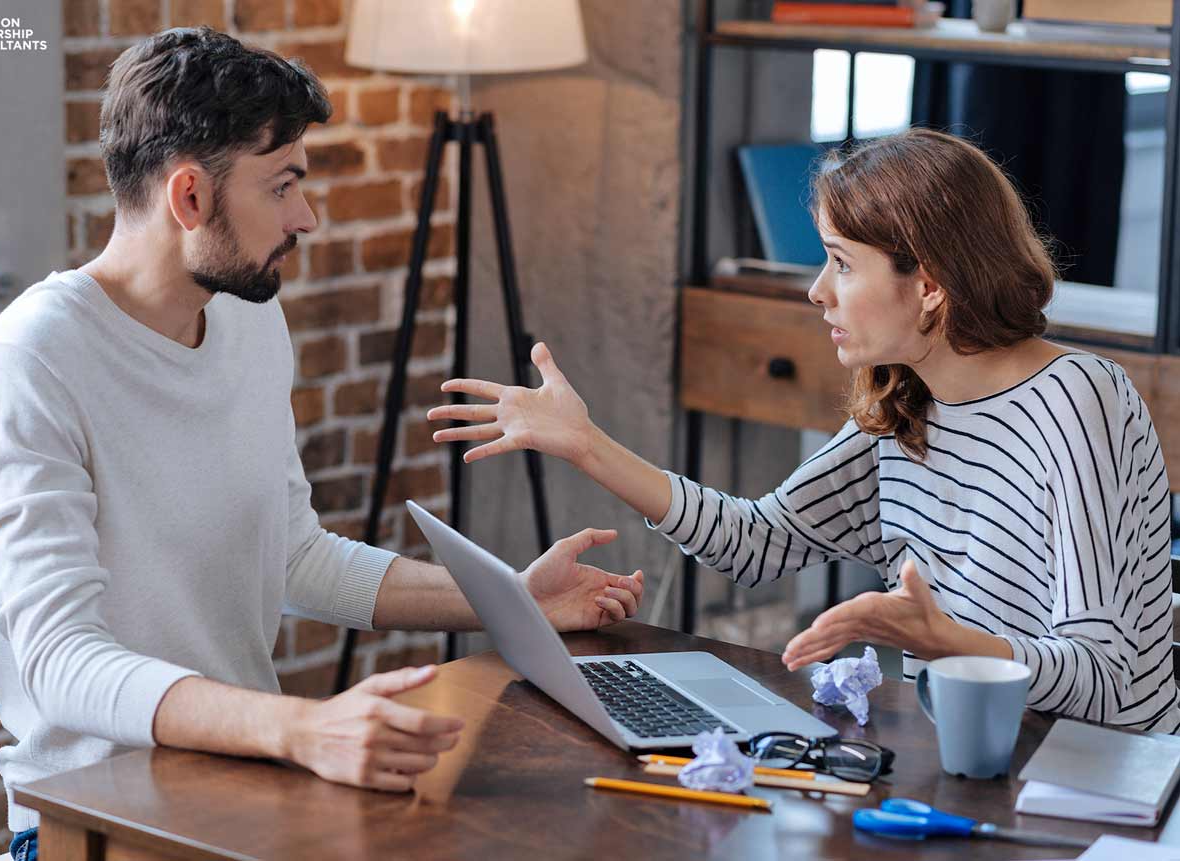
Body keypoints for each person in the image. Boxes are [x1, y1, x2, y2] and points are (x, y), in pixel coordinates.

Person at [0, 27, 645, 860]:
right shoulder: (33, 359)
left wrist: (510, 602)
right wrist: (302, 728)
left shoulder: (249, 320)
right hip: (94, 825)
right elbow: (58, 664)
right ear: (189, 198)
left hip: (244, 792)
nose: (307, 217)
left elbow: (293, 557)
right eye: (282, 186)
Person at [429, 128, 1178, 735]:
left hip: (1098, 783)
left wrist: (943, 641)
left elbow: (1104, 677)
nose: (817, 291)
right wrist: (585, 443)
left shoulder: (1080, 402)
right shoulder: (909, 399)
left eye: (842, 264)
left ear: (929, 284)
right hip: (967, 757)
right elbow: (760, 541)